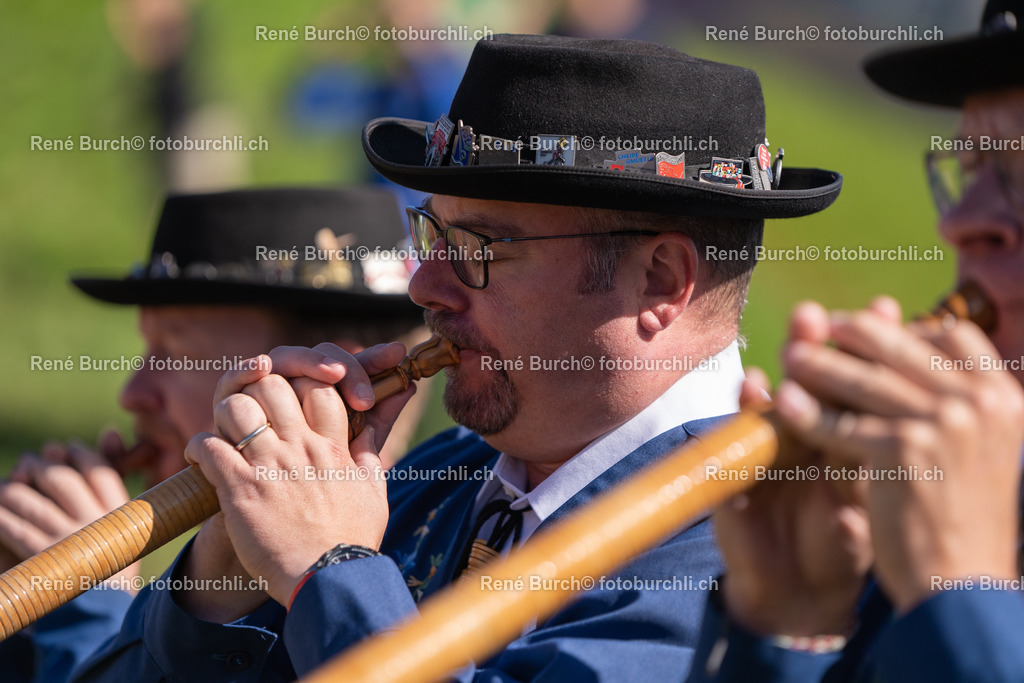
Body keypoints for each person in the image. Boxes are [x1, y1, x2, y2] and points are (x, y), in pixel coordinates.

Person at [72, 34, 842, 682]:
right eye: (431, 236)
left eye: (478, 247)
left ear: (660, 280)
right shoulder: (433, 477)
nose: (424, 285)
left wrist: (329, 568)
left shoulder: (751, 537)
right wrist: (226, 576)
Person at [687, 2, 1024, 681]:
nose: (960, 221)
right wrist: (788, 633)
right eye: (969, 166)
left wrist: (960, 600)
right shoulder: (916, 500)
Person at [0, 186, 427, 682]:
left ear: (325, 369)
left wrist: (83, 604)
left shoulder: (446, 564)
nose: (133, 392)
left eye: (176, 350)